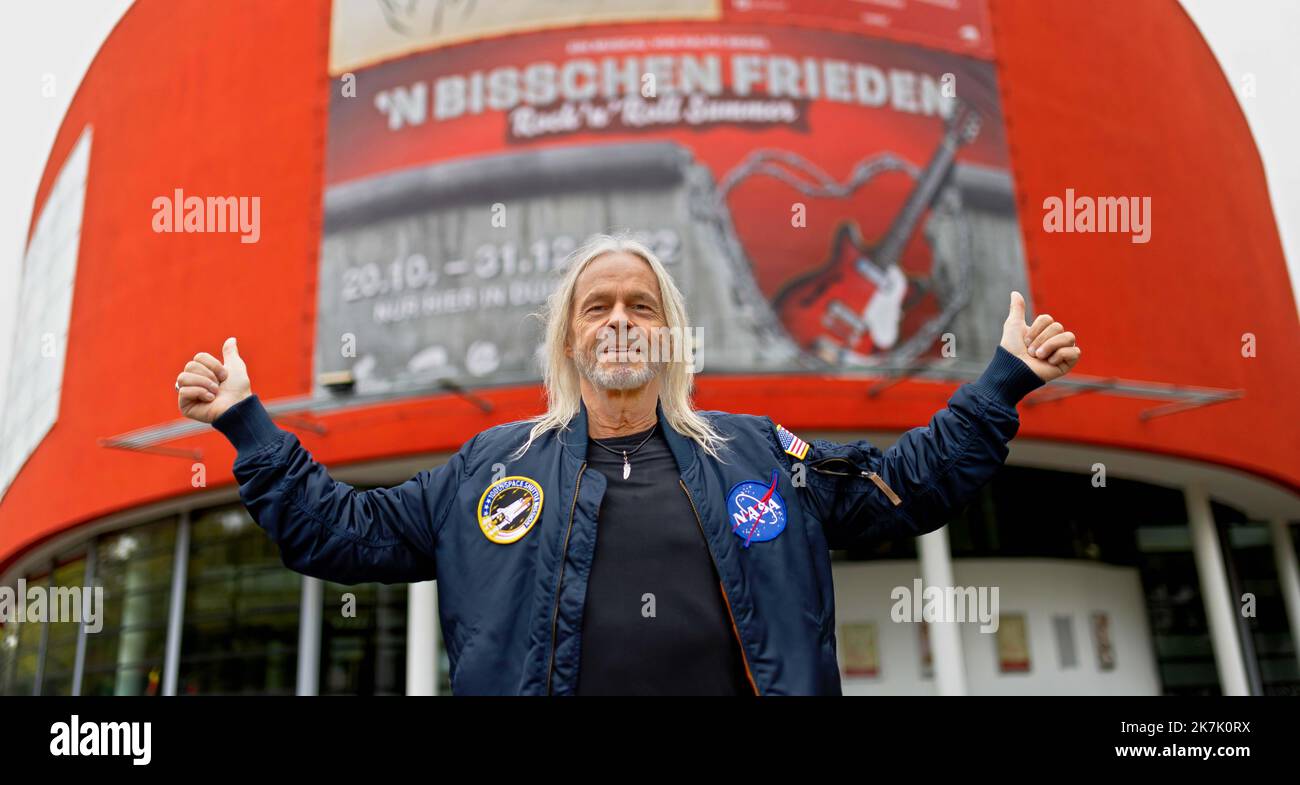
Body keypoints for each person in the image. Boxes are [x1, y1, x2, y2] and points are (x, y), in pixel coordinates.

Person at [173, 233, 1080, 695]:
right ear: (568, 339)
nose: (618, 319)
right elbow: (342, 532)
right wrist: (247, 423)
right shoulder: (491, 468)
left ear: (672, 334)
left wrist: (1003, 380)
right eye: (596, 305)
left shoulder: (756, 453)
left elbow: (903, 484)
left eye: (640, 305)